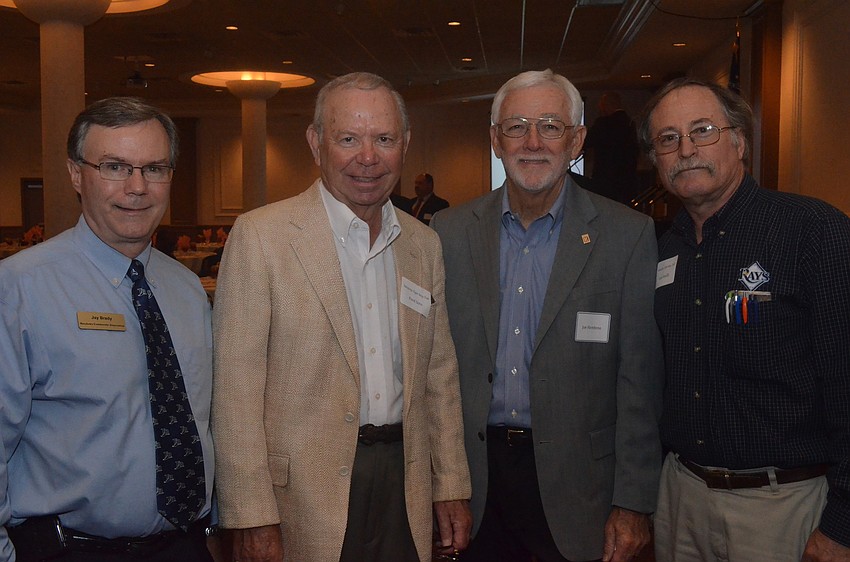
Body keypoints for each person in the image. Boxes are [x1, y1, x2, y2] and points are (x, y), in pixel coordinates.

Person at [211, 72, 472, 562]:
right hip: (299, 499)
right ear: (316, 143)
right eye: (348, 138)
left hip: (405, 483)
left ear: (405, 144)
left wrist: (451, 482)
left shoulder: (423, 245)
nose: (367, 157)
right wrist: (249, 514)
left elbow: (440, 376)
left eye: (384, 139)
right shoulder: (261, 238)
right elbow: (235, 392)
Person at [430, 69, 664, 562]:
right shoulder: (447, 233)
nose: (532, 142)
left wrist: (633, 502)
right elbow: (433, 370)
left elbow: (639, 384)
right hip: (475, 481)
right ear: (496, 140)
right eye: (516, 126)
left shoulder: (627, 235)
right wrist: (442, 480)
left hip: (581, 490)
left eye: (551, 127)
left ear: (576, 139)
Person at [640, 77, 850, 562]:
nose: (686, 149)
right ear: (656, 160)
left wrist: (843, 523)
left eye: (703, 130)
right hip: (679, 498)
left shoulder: (814, 233)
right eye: (668, 139)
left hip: (780, 508)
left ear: (740, 142)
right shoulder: (657, 249)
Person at [0, 97, 215, 561]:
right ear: (77, 174)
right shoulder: (20, 288)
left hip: (185, 546)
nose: (137, 187)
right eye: (115, 166)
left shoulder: (185, 289)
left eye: (154, 168)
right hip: (72, 551)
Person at [583, 91, 639, 204]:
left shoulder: (603, 123)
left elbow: (585, 142)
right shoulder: (630, 123)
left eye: (601, 106)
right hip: (627, 180)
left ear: (606, 105)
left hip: (605, 180)